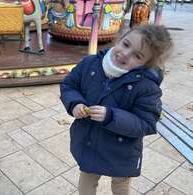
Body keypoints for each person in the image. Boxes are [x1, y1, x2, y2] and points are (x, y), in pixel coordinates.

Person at [60, 24, 173, 195]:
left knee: (120, 185)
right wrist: (75, 103)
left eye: (137, 55)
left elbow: (146, 123)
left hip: (122, 151)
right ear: (119, 39)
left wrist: (112, 116)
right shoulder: (90, 64)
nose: (125, 54)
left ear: (146, 64)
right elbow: (70, 85)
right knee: (87, 180)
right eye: (126, 44)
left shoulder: (146, 87)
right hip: (89, 141)